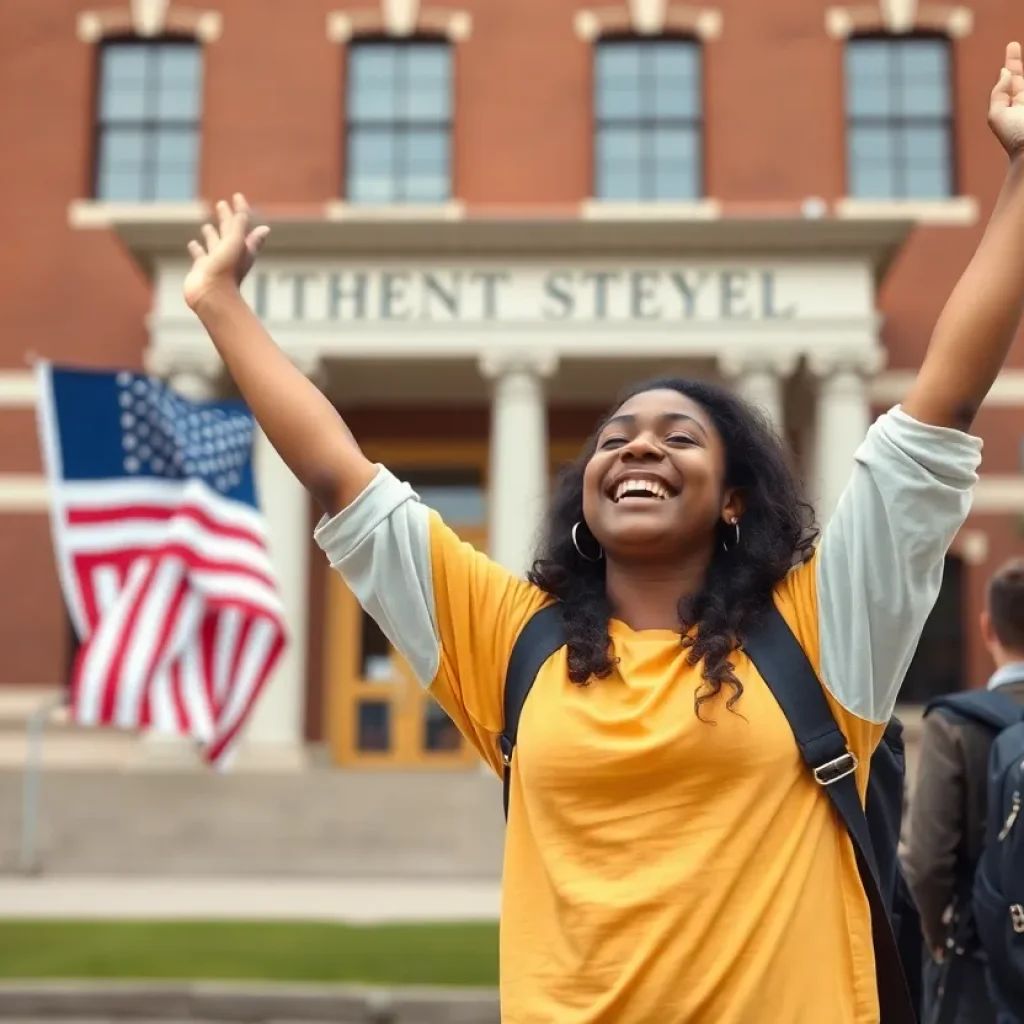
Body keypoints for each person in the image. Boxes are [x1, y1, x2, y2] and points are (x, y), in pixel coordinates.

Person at [181, 43, 1024, 1024]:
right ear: (583, 490)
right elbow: (337, 473)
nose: (638, 450)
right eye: (614, 438)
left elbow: (938, 406)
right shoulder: (510, 638)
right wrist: (219, 305)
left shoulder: (827, 629)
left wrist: (1016, 177)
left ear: (735, 497)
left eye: (678, 437)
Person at [904, 558, 1024, 1024]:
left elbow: (927, 861)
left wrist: (938, 938)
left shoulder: (954, 724)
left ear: (987, 627)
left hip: (980, 965)